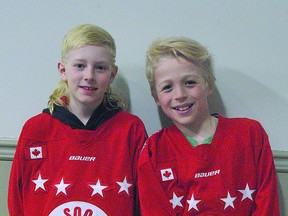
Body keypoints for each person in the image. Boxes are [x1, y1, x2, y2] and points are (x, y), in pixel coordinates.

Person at [8, 24, 147, 216]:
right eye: (80, 66)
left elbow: (145, 203)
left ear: (112, 74)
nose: (89, 76)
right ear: (62, 70)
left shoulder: (131, 129)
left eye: (100, 68)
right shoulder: (36, 129)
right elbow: (17, 201)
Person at [138, 37, 280, 215]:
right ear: (156, 98)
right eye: (167, 87)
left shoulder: (250, 134)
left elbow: (267, 206)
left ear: (209, 84)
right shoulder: (153, 151)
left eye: (189, 82)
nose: (180, 94)